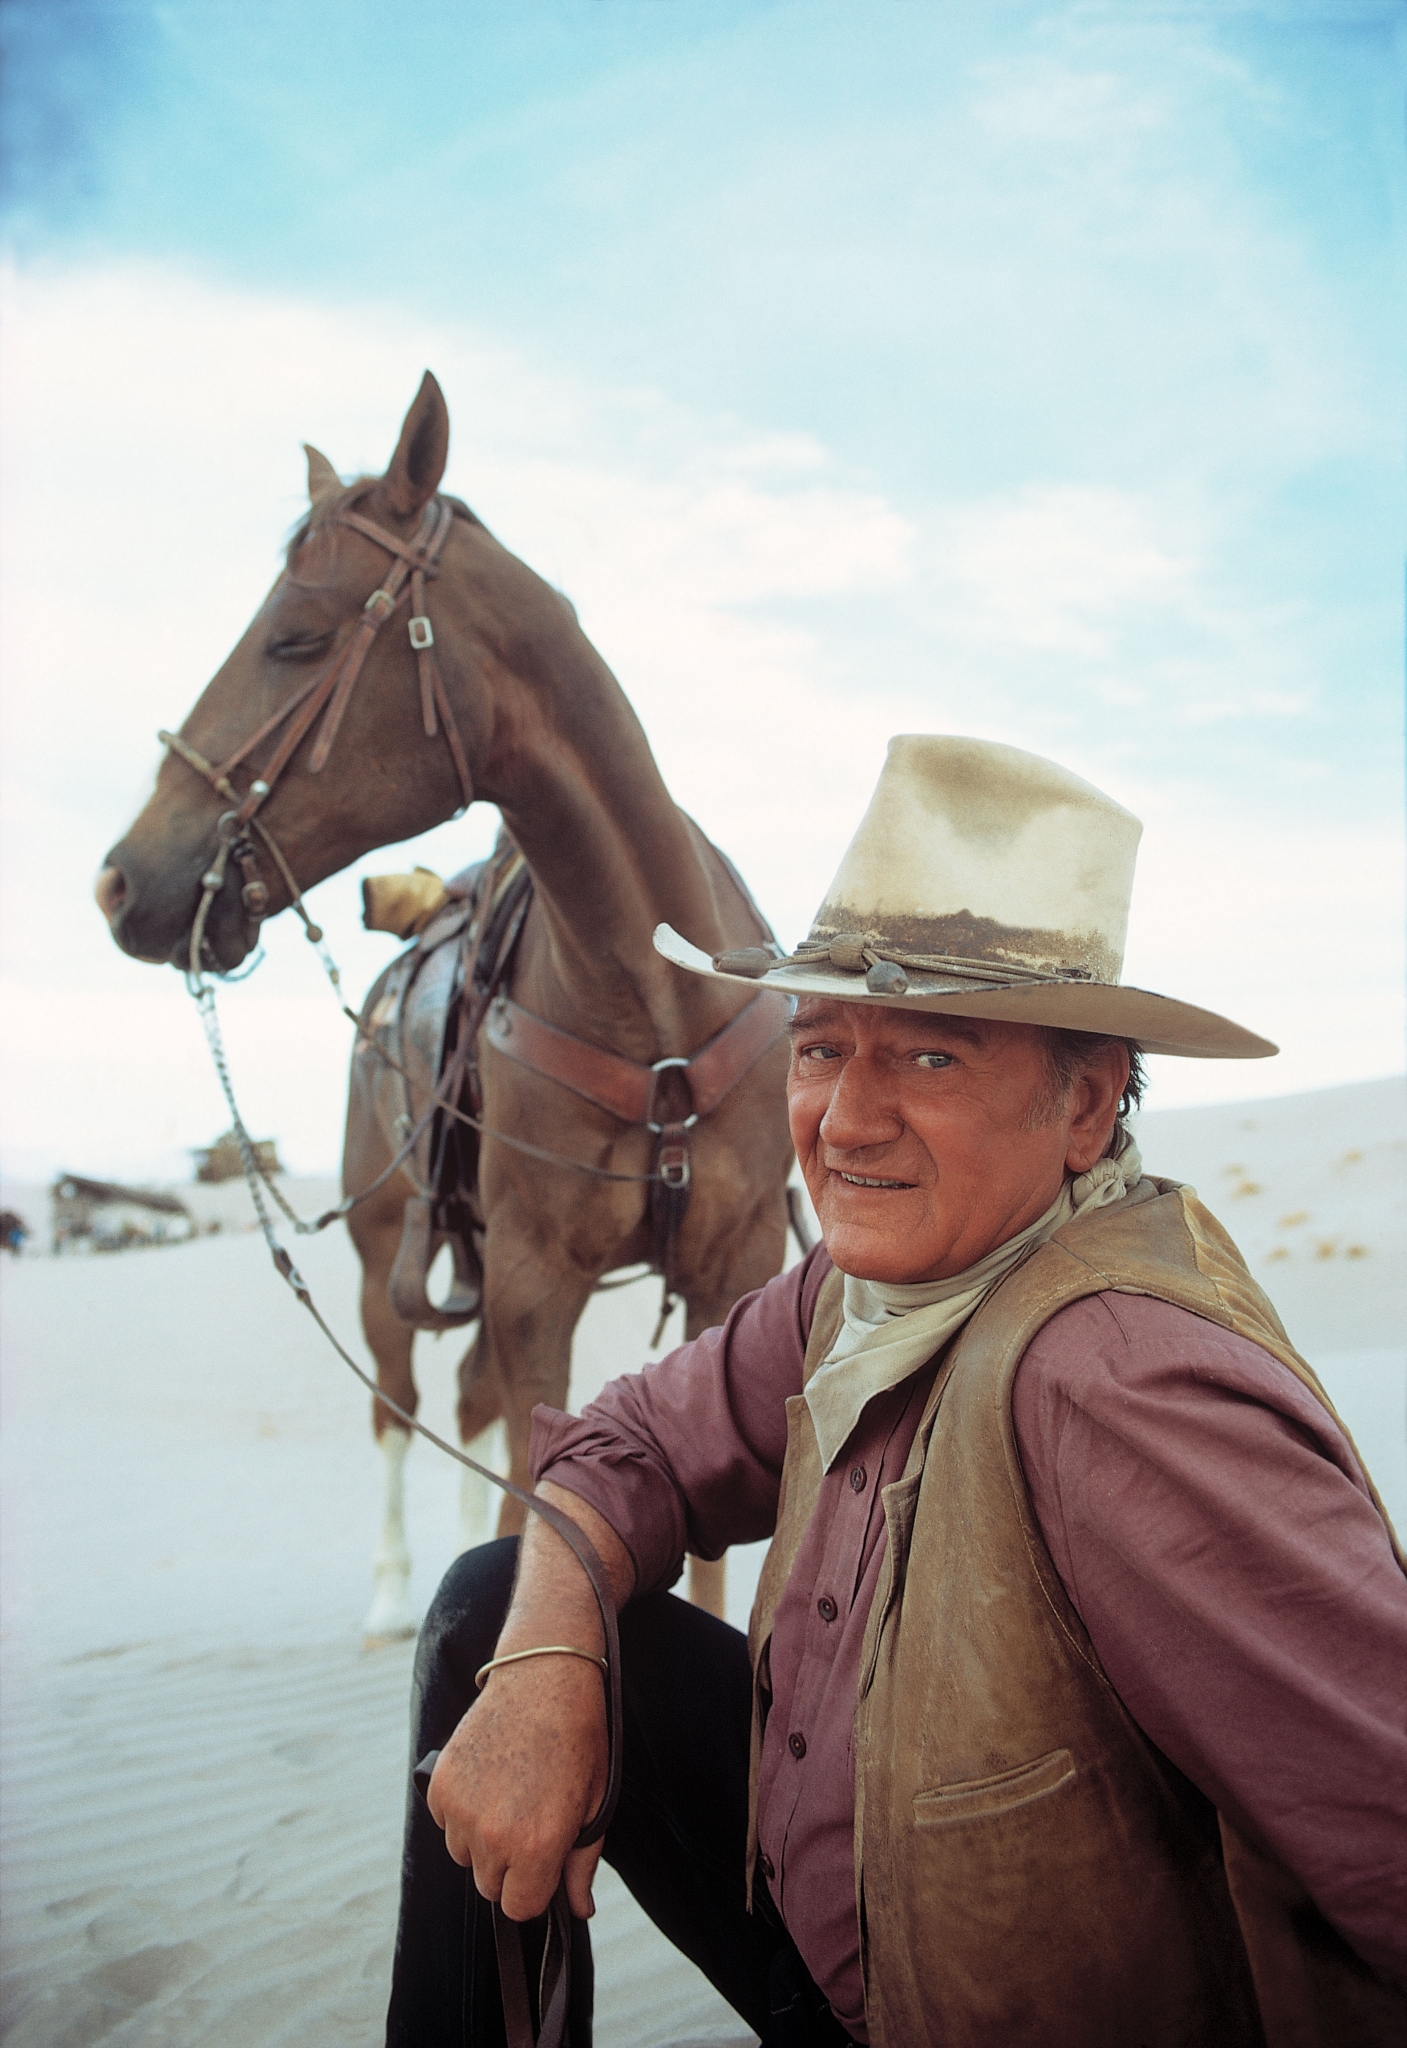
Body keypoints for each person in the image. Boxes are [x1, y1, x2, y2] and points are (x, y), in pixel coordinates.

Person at [387, 737, 1407, 2048]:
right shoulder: (856, 1288)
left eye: (931, 1059)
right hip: (815, 1925)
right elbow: (629, 1436)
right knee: (493, 1608)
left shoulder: (1121, 1387)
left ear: (1087, 1104)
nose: (845, 1121)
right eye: (819, 1048)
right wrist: (546, 1667)